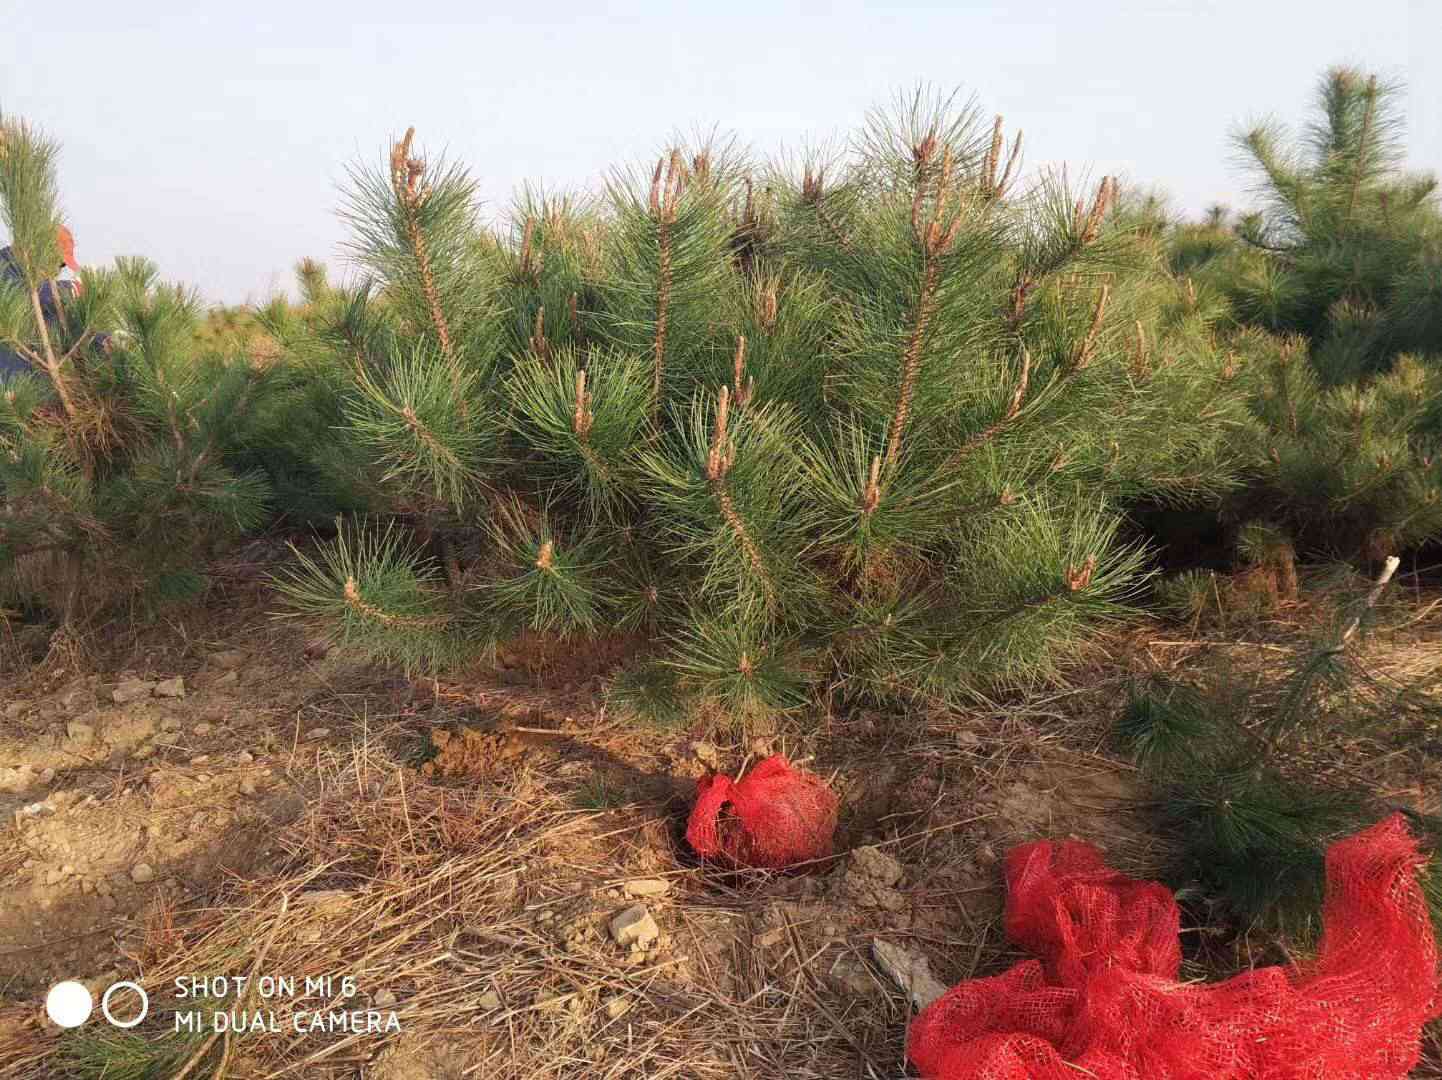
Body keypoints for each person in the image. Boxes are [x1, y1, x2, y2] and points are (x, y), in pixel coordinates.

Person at [0, 224, 85, 381]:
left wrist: (103, 341)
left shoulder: (45, 297)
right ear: (36, 251)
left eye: (62, 266)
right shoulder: (4, 267)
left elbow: (65, 330)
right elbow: (18, 296)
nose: (57, 271)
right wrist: (68, 290)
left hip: (36, 393)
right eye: (57, 263)